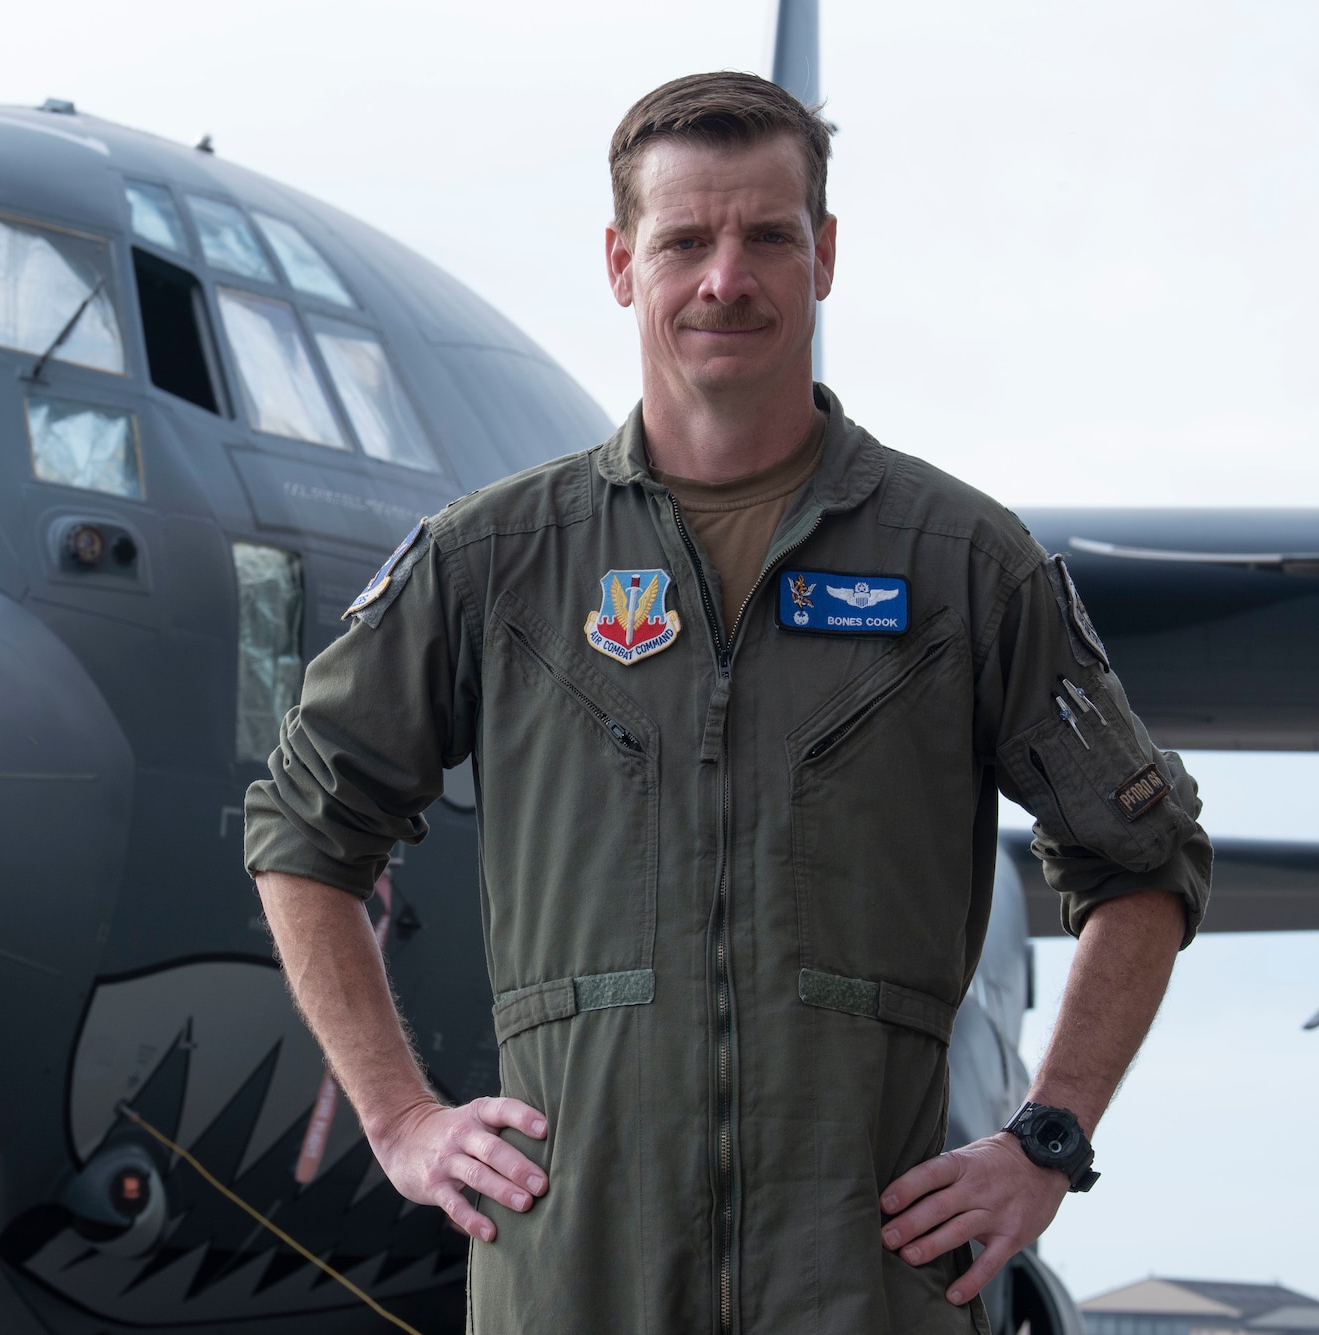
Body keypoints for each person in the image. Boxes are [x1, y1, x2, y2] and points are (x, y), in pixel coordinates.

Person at [243, 71, 1210, 1334]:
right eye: (684, 240)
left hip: (862, 1284)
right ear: (617, 262)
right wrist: (399, 1119)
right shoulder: (496, 563)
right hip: (577, 1281)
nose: (724, 279)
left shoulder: (963, 567)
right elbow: (302, 828)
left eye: (766, 236)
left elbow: (1146, 857)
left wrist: (1044, 1138)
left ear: (823, 257)